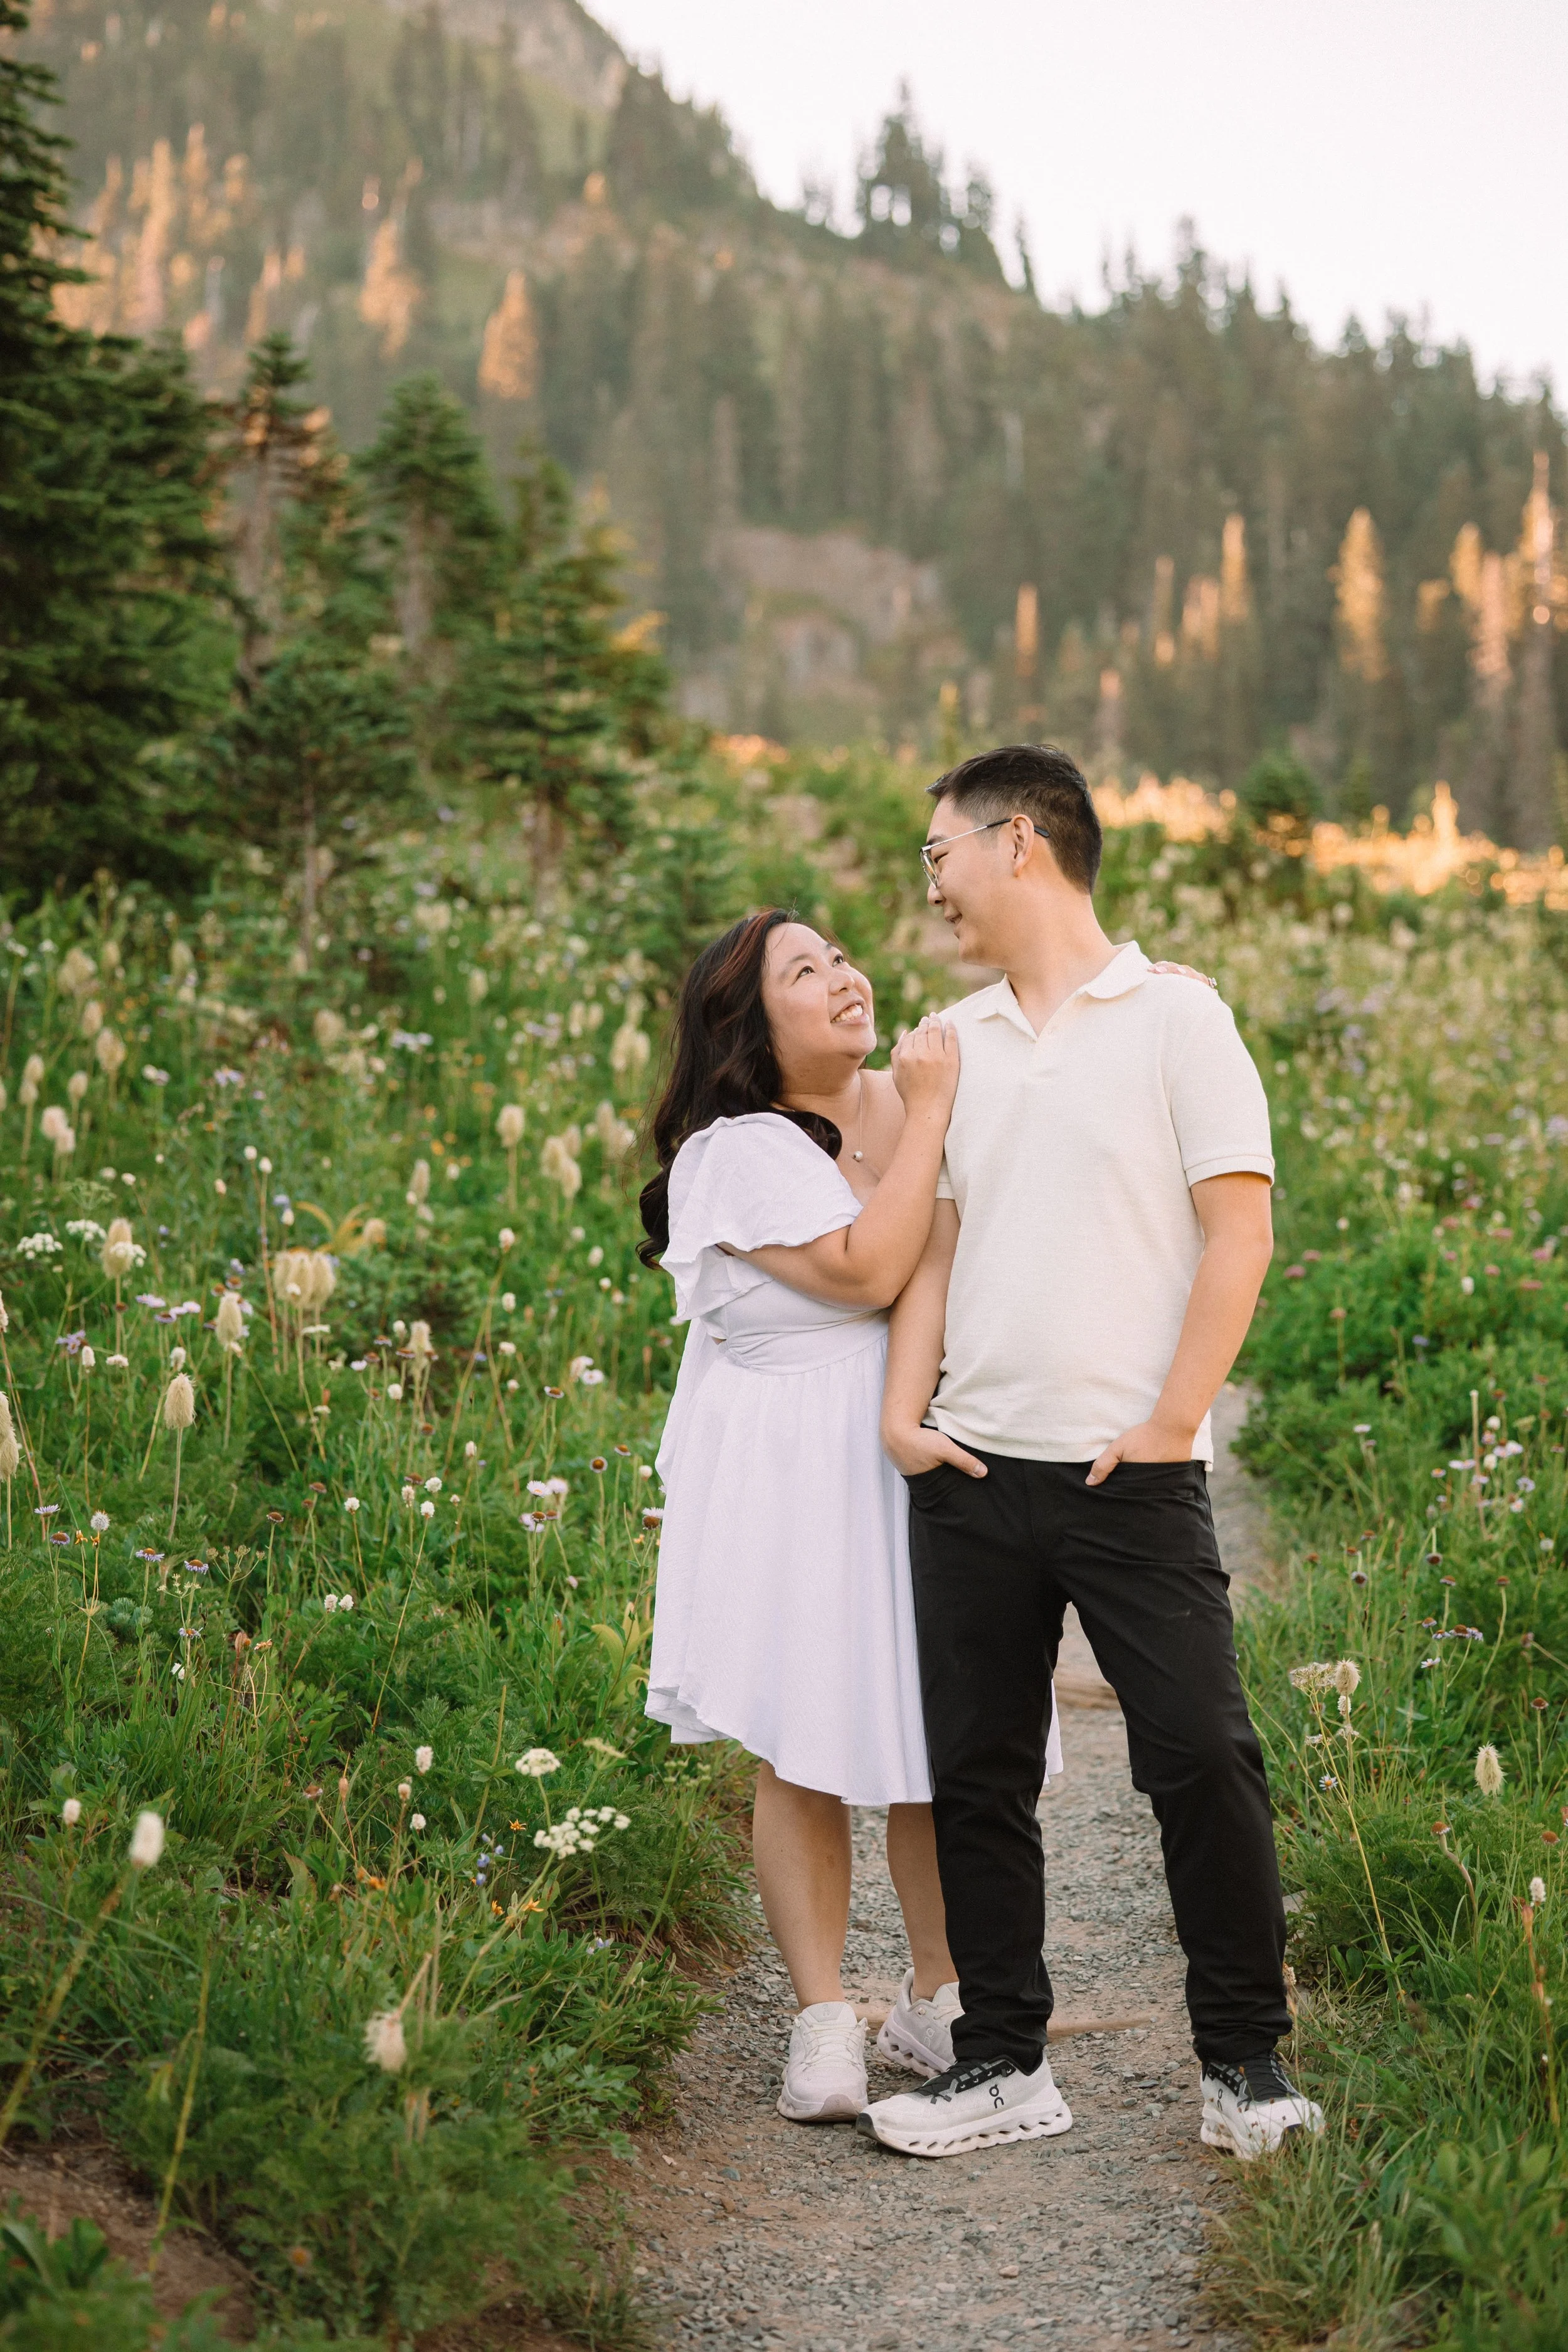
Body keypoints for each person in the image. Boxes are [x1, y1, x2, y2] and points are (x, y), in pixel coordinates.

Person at [861, 743, 1325, 2165]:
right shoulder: (948, 1044)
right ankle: (1002, 2060)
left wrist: (1174, 1420)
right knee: (976, 1772)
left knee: (1200, 1755)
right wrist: (905, 1414)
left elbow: (1237, 1229)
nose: (928, 884)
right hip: (975, 1472)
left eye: (938, 853)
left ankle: (1242, 2067)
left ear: (1018, 845)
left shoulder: (1177, 1020)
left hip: (1132, 1472)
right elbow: (930, 1249)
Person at [640, 908, 1064, 2124]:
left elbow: (1046, 1068)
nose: (840, 979)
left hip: (925, 1444)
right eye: (801, 971)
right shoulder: (735, 1149)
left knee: (939, 1733)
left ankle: (935, 2002)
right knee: (805, 1732)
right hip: (792, 1466)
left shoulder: (916, 1084)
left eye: (837, 957)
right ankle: (822, 2015)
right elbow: (872, 1269)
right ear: (746, 1026)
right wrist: (929, 1118)